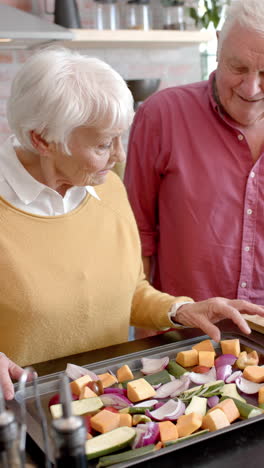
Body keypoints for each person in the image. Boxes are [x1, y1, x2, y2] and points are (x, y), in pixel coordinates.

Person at [0, 47, 263, 402]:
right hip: (24, 418)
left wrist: (181, 310)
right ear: (42, 140)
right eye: (104, 144)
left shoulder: (104, 184)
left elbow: (127, 288)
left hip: (108, 405)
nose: (120, 155)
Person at [124, 0, 264, 330]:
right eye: (239, 68)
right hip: (183, 339)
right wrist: (148, 333)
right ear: (217, 44)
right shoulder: (161, 116)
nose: (252, 88)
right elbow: (136, 239)